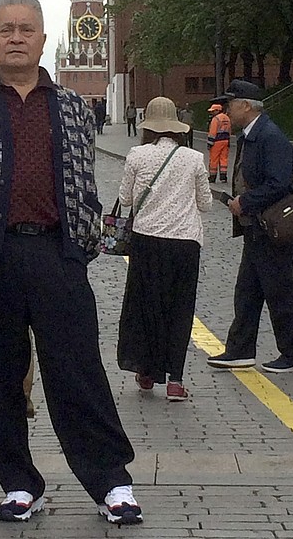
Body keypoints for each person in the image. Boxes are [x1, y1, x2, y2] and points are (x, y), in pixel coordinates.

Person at [0, 0, 142, 526]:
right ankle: (19, 483)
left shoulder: (74, 107)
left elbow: (83, 179)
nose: (15, 37)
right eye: (4, 29)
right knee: (0, 373)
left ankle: (111, 481)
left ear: (43, 39)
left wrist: (84, 239)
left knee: (76, 369)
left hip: (58, 253)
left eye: (25, 29)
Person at [207, 79, 293, 373]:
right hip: (257, 229)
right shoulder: (253, 134)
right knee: (247, 292)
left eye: (230, 103)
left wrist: (245, 202)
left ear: (245, 106)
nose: (226, 109)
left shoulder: (270, 136)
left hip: (272, 229)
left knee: (280, 292)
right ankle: (240, 351)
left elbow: (280, 184)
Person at [117, 96, 212, 401]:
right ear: (177, 127)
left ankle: (146, 372)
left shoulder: (136, 155)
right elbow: (205, 203)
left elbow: (127, 199)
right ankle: (176, 380)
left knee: (146, 307)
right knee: (180, 308)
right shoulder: (194, 159)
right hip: (185, 243)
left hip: (146, 242)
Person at [206, 103, 231, 183]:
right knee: (224, 159)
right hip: (225, 141)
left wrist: (210, 143)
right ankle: (223, 177)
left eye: (213, 111)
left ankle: (212, 177)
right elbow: (229, 131)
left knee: (214, 159)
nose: (212, 113)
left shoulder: (215, 119)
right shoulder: (227, 118)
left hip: (216, 141)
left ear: (217, 110)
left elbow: (212, 132)